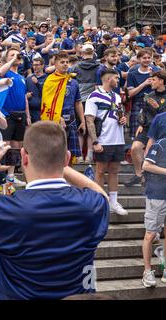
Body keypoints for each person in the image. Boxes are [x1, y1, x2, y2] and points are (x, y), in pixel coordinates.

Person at [0, 121, 109, 300]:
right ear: (67, 159)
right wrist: (60, 163)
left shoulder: (6, 209)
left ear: (23, 157)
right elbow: (102, 195)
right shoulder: (91, 205)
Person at [85, 69, 128, 216]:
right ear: (109, 79)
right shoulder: (94, 96)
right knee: (100, 171)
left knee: (115, 171)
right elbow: (89, 120)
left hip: (118, 139)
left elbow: (119, 114)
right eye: (116, 78)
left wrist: (123, 119)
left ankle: (113, 202)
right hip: (103, 139)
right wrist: (95, 141)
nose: (118, 81)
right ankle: (101, 201)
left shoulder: (116, 96)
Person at [126, 50, 161, 186]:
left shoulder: (157, 70)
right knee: (138, 142)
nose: (147, 60)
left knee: (154, 143)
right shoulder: (132, 72)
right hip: (139, 105)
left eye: (149, 57)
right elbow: (130, 94)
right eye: (144, 58)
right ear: (139, 59)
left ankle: (150, 172)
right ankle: (139, 173)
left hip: (157, 105)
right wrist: (144, 84)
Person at [0, 48, 30, 188]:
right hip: (8, 114)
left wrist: (27, 115)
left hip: (20, 114)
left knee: (16, 147)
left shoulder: (21, 77)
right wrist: (10, 59)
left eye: (17, 55)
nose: (16, 57)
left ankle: (11, 176)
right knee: (5, 145)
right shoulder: (6, 72)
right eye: (12, 55)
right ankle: (1, 177)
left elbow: (24, 97)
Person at [141, 135, 166, 287]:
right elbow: (146, 166)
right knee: (150, 234)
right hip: (157, 195)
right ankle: (147, 271)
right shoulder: (161, 144)